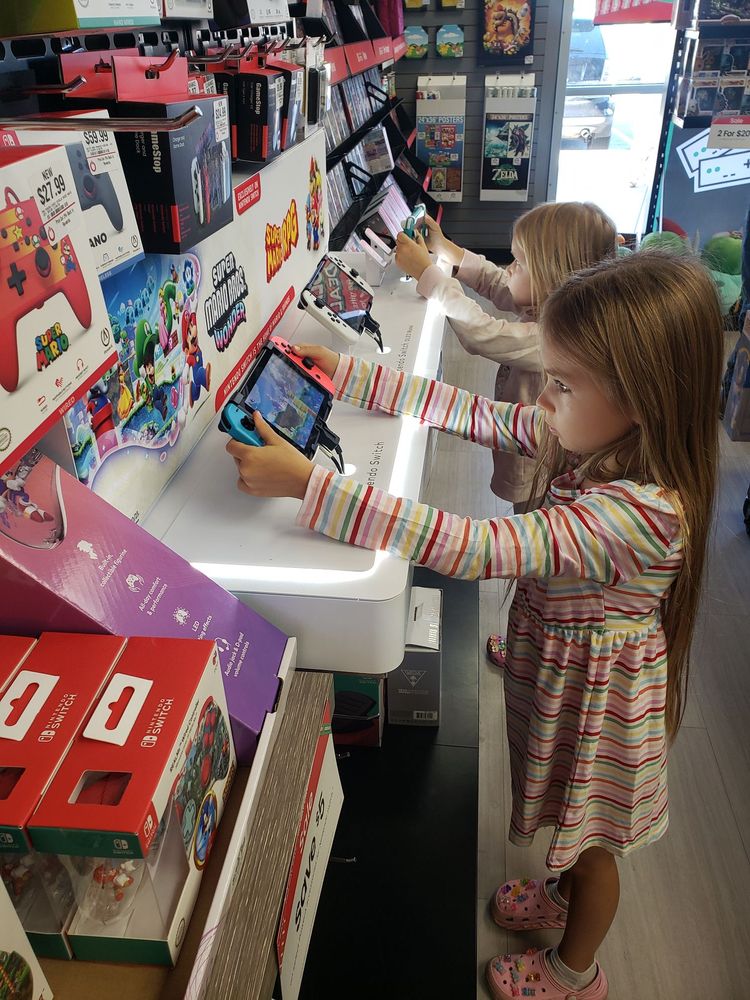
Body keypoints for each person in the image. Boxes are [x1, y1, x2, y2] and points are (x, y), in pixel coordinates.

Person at [225, 252, 724, 1000]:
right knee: (573, 819)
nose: (543, 396)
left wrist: (313, 487)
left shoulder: (640, 514)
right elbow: (473, 413)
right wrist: (349, 375)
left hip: (603, 710)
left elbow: (476, 545)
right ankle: (559, 893)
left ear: (643, 399)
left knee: (594, 847)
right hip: (567, 679)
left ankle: (575, 972)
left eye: (562, 383)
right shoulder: (597, 438)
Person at [395, 201, 617, 667]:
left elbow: (484, 333)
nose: (509, 267)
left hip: (540, 468)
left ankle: (528, 643)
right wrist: (449, 251)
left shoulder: (560, 337)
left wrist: (430, 276)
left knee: (534, 560)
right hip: (531, 448)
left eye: (520, 261)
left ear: (553, 275)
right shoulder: (555, 302)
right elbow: (502, 283)